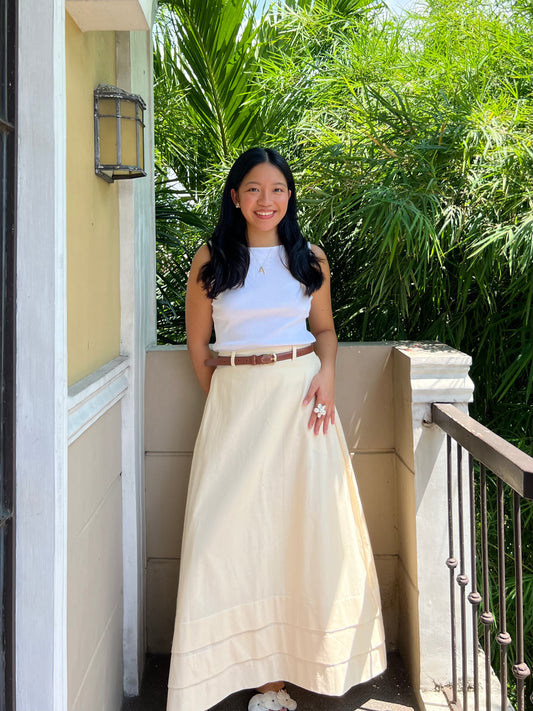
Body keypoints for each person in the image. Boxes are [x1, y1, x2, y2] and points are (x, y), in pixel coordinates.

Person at [166, 147, 386, 711]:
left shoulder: (308, 258)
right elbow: (198, 344)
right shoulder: (211, 259)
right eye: (255, 189)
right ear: (235, 196)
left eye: (278, 190)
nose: (267, 201)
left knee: (302, 533)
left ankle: (284, 678)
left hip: (302, 403)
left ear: (290, 197)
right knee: (227, 540)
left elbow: (327, 331)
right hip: (237, 404)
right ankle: (232, 672)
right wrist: (225, 396)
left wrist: (328, 374)